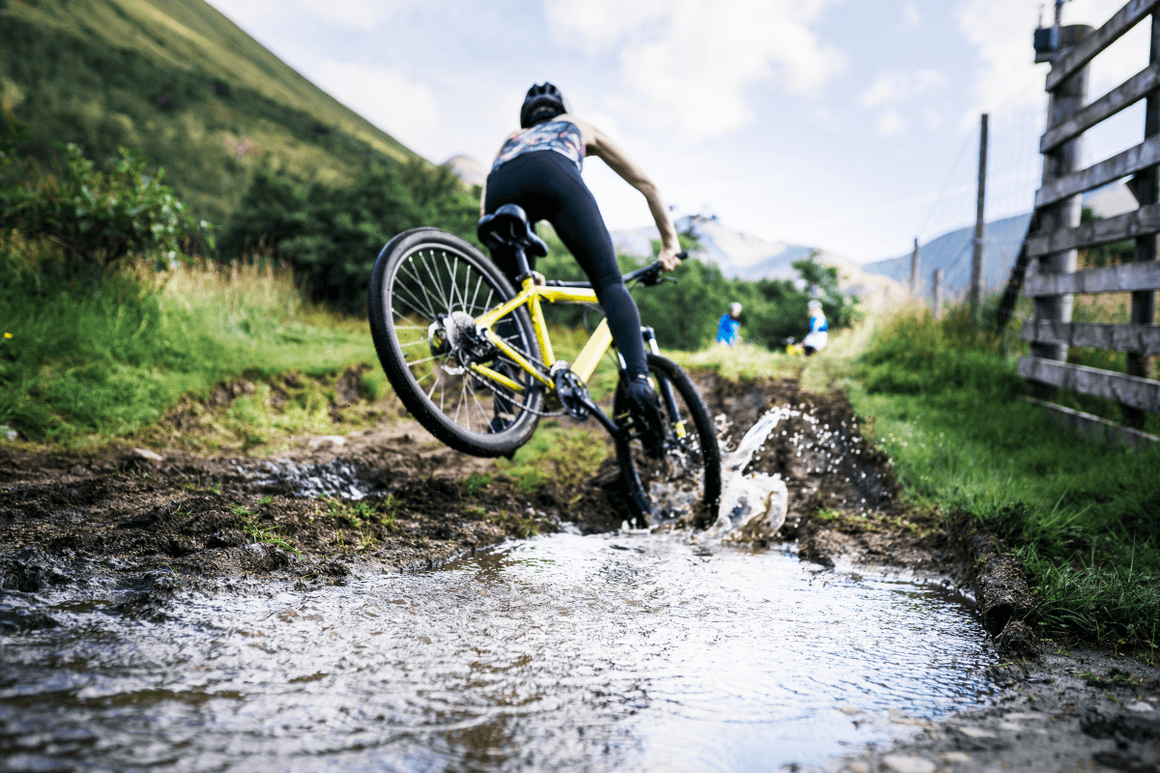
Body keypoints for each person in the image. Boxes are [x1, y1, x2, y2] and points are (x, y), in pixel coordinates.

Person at [481, 83, 681, 449]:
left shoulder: (514, 137)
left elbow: (486, 196)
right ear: (561, 108)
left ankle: (507, 410)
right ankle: (638, 383)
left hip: (499, 190)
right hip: (552, 171)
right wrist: (670, 244)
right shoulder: (575, 124)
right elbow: (647, 184)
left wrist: (514, 256)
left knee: (509, 296)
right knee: (609, 284)